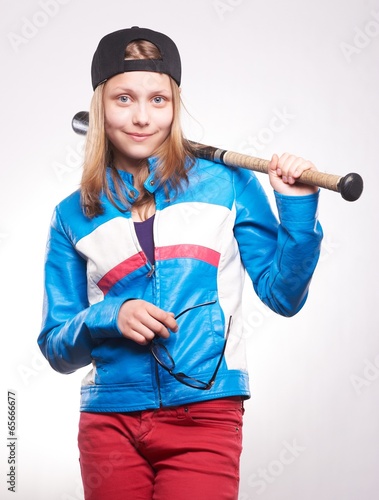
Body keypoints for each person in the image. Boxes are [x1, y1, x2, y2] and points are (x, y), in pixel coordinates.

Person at [38, 26, 323, 500]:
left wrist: (296, 208)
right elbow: (56, 347)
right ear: (99, 107)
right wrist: (111, 315)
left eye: (158, 100)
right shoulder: (71, 215)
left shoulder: (227, 184)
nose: (142, 117)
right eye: (124, 98)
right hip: (109, 422)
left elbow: (284, 295)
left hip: (206, 415)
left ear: (175, 106)